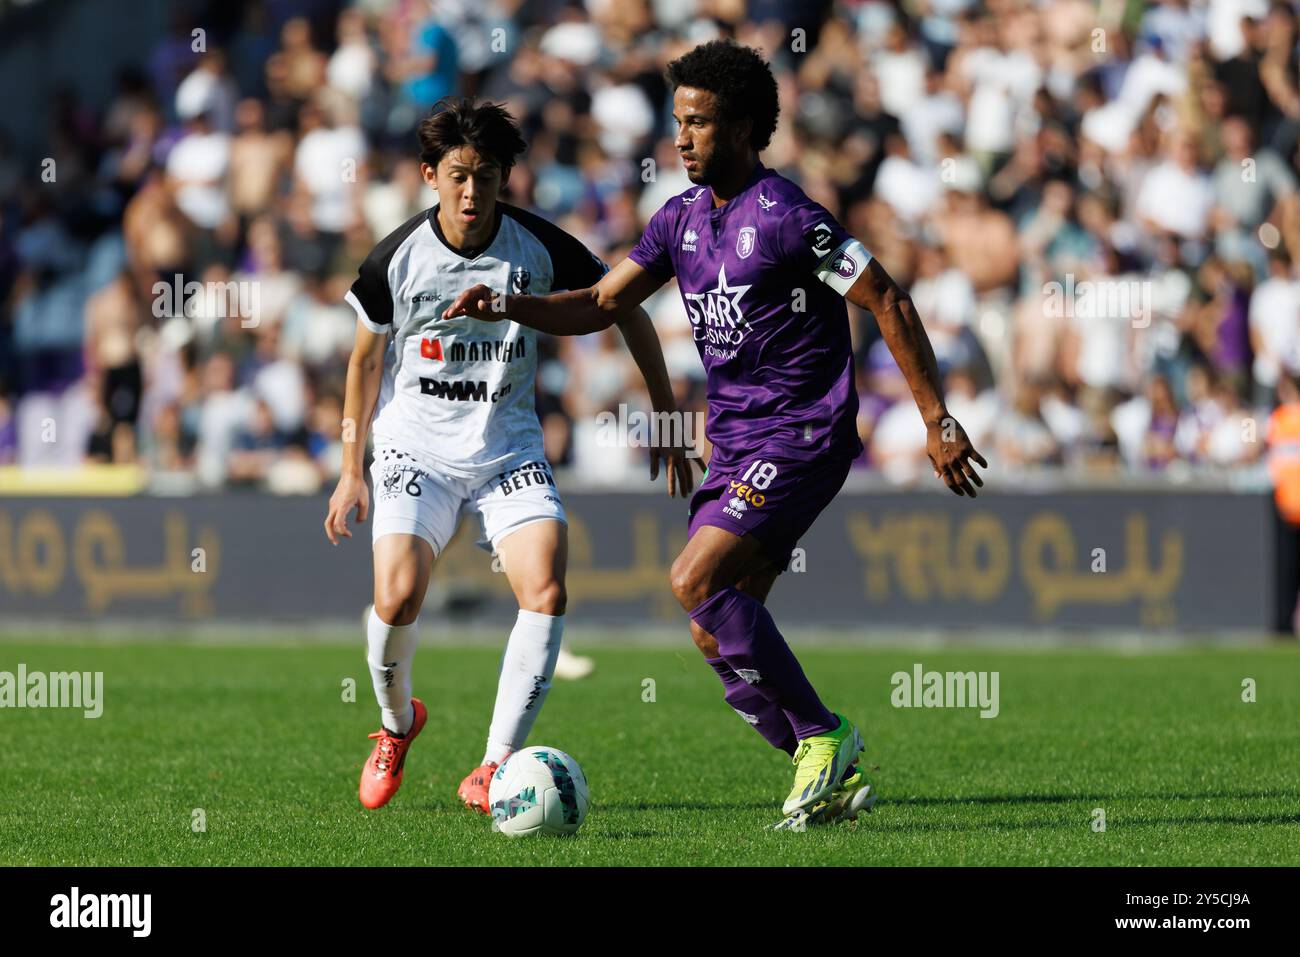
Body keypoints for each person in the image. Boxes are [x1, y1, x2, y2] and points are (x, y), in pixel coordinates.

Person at [445, 41, 988, 828]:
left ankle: (823, 734)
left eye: (698, 123)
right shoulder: (679, 222)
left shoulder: (791, 217)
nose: (682, 138)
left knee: (693, 579)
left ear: (742, 128)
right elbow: (600, 303)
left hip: (803, 430)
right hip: (736, 441)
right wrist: (510, 306)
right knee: (714, 629)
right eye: (678, 122)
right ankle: (824, 768)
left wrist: (937, 417)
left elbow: (889, 300)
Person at [324, 97, 692, 813]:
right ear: (430, 174)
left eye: (486, 177)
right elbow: (365, 364)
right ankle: (397, 725)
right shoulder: (392, 260)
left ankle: (493, 766)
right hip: (415, 447)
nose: (471, 192)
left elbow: (621, 306)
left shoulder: (537, 247)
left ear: (504, 180)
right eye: (458, 175)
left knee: (546, 589)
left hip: (506, 447)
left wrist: (667, 411)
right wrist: (349, 469)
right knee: (397, 596)